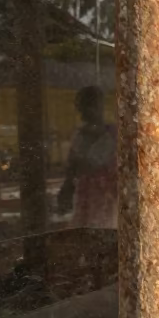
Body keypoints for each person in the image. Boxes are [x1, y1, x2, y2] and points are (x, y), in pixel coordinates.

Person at [57, 85, 117, 229]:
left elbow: (75, 167)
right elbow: (73, 167)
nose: (83, 114)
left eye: (86, 108)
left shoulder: (111, 135)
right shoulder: (83, 136)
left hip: (103, 197)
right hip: (96, 196)